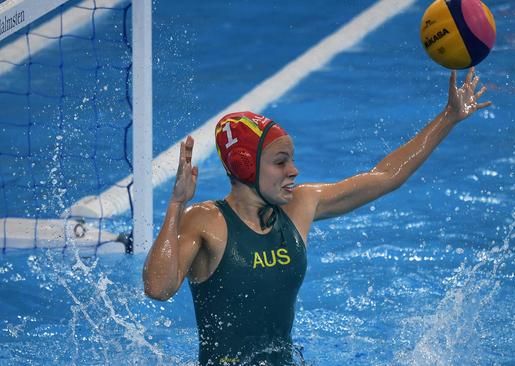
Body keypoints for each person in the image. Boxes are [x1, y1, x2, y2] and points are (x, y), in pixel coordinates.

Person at [142, 67, 491, 365]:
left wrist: (448, 117)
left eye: (291, 159)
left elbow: (386, 177)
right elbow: (158, 288)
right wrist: (175, 205)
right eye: (280, 162)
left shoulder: (301, 205)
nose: (293, 170)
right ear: (246, 166)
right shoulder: (206, 221)